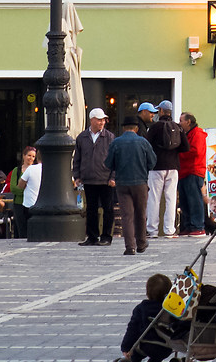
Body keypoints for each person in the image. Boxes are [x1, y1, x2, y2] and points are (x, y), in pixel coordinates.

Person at [107, 111, 156, 254]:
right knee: (140, 214)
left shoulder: (116, 142)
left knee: (126, 215)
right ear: (136, 128)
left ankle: (130, 247)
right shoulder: (143, 142)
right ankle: (141, 243)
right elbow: (152, 162)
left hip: (122, 183)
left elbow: (109, 163)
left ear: (124, 128)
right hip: (140, 182)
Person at [120, 270, 188, 362]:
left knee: (135, 355)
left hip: (144, 345)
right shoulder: (171, 309)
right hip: (166, 347)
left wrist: (126, 347)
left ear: (147, 293)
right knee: (157, 357)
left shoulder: (141, 308)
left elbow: (132, 329)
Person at [75, 108, 117, 245]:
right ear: (91, 120)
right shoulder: (82, 137)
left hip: (106, 179)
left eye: (103, 120)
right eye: (99, 119)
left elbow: (116, 159)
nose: (102, 122)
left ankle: (106, 237)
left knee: (108, 208)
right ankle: (92, 236)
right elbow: (77, 158)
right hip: (88, 178)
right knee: (91, 209)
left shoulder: (110, 137)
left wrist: (113, 177)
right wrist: (77, 175)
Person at [146, 102, 182, 242]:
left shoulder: (154, 127)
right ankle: (169, 230)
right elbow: (185, 146)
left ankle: (152, 230)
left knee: (154, 198)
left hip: (156, 167)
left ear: (161, 111)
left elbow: (147, 145)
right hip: (173, 167)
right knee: (171, 198)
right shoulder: (177, 127)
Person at [177, 113, 210, 236]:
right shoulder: (189, 135)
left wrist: (178, 154)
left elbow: (195, 151)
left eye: (181, 121)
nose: (179, 123)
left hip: (193, 170)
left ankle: (198, 226)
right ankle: (189, 226)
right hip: (185, 171)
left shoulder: (198, 134)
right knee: (185, 201)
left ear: (188, 122)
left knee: (194, 200)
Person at [14, 145, 42, 238]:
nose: (31, 158)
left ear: (36, 158)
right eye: (29, 155)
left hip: (29, 204)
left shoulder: (31, 169)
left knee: (25, 231)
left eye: (33, 156)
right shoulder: (17, 170)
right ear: (23, 156)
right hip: (41, 204)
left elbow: (20, 185)